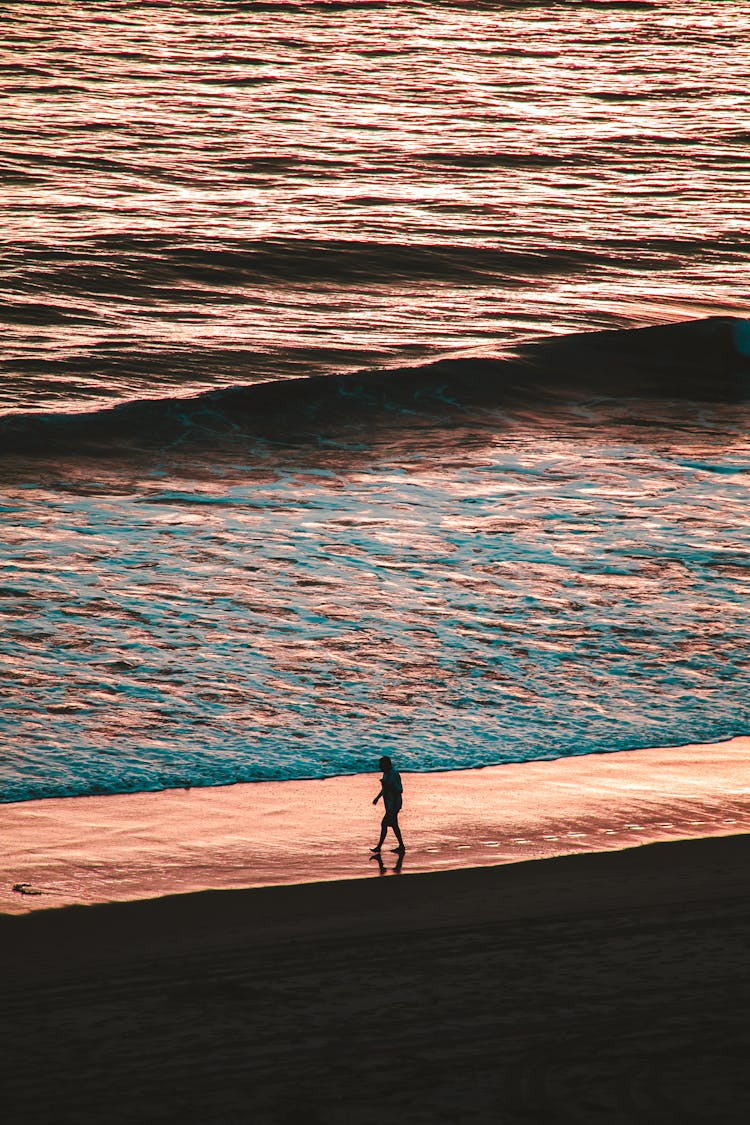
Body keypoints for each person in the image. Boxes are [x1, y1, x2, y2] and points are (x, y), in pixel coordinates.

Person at [371, 755, 405, 855]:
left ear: (386, 764)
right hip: (390, 805)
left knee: (384, 824)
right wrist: (377, 797)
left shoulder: (394, 774)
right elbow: (385, 789)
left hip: (394, 805)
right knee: (394, 825)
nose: (379, 767)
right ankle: (401, 846)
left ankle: (379, 847)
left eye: (381, 765)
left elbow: (399, 790)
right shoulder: (386, 774)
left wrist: (386, 785)